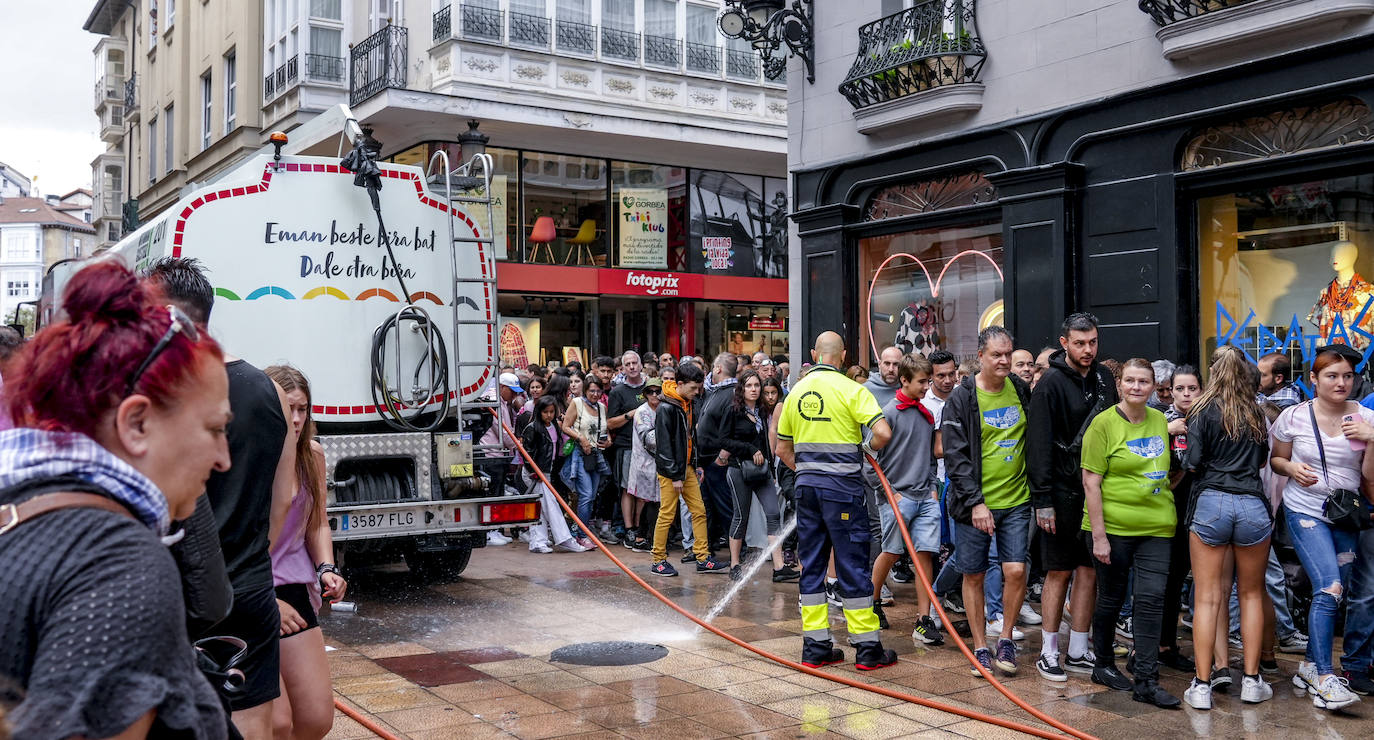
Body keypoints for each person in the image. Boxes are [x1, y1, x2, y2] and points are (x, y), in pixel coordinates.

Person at [0, 261, 229, 739]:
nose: (223, 458)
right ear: (137, 424)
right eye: (214, 429)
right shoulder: (122, 562)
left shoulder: (21, 504)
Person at [148, 258, 293, 739]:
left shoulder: (157, 388)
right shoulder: (268, 387)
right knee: (253, 722)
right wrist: (254, 560)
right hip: (249, 585)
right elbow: (284, 496)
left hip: (175, 592)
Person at [775, 332, 898, 671]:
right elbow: (883, 433)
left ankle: (815, 647)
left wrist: (810, 471)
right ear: (843, 356)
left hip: (806, 490)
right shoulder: (852, 390)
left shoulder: (795, 392)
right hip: (843, 491)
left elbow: (782, 449)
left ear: (815, 354)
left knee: (812, 564)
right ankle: (868, 649)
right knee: (852, 565)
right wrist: (865, 451)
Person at [1270, 348, 1374, 710]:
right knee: (1329, 586)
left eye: (1347, 376)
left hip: (1345, 517)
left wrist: (1372, 438)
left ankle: (1311, 665)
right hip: (1305, 511)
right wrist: (1290, 469)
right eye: (1332, 376)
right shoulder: (1294, 416)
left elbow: (1369, 480)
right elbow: (1276, 458)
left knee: (1337, 591)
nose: (1341, 383)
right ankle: (1325, 678)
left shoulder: (1365, 417)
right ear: (1313, 379)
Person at [1080, 359, 1181, 707]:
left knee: (1152, 600)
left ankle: (1147, 680)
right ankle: (1104, 664)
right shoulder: (1102, 424)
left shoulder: (1158, 421)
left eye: (1144, 382)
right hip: (1114, 527)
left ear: (1154, 387)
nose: (1137, 387)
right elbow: (1090, 482)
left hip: (1157, 526)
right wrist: (1099, 536)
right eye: (1130, 381)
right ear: (1120, 384)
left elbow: (1167, 469)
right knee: (1110, 598)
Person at [1181, 346, 1275, 710]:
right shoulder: (1255, 411)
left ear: (1214, 372)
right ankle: (1252, 681)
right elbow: (1263, 458)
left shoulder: (1202, 410)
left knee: (1207, 597)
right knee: (1251, 594)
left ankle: (1202, 685)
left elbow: (1192, 462)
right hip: (1253, 504)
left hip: (1211, 502)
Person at [1027, 313, 1117, 682]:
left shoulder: (1105, 377)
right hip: (1061, 490)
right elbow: (1038, 444)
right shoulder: (1048, 383)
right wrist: (1042, 498)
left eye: (1093, 342)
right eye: (1080, 343)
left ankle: (1078, 648)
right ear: (1064, 343)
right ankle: (1049, 651)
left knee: (1088, 570)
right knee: (1058, 571)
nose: (1088, 349)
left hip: (1096, 489)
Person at [943, 327, 1034, 678]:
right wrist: (976, 503)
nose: (1004, 360)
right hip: (974, 504)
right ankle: (980, 646)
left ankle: (1006, 638)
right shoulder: (962, 398)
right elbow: (955, 455)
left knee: (1015, 570)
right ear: (980, 356)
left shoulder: (1020, 390)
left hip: (1016, 500)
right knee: (975, 574)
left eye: (1008, 353)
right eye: (997, 354)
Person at [263, 366, 346, 740]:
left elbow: (317, 522)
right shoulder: (249, 455)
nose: (296, 418)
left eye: (303, 409)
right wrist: (260, 599)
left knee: (314, 718)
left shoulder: (311, 454)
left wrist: (327, 567)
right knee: (276, 722)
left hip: (295, 586)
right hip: (251, 589)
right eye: (288, 408)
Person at [870, 354, 944, 646]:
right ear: (904, 381)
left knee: (926, 554)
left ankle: (923, 621)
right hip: (895, 496)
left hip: (924, 495)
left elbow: (927, 455)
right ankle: (872, 602)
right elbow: (868, 458)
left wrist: (932, 488)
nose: (927, 387)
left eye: (928, 381)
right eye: (922, 382)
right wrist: (889, 490)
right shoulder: (887, 413)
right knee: (891, 551)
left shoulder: (926, 415)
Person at [649, 362, 727, 576]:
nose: (696, 392)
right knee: (667, 513)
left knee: (699, 511)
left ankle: (702, 557)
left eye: (698, 388)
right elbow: (664, 446)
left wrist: (697, 463)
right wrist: (675, 475)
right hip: (672, 471)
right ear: (680, 384)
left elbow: (691, 437)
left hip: (687, 467)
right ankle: (658, 559)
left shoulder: (685, 403)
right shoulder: (667, 408)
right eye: (693, 388)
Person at [720, 370, 797, 582]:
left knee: (773, 514)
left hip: (763, 471)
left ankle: (779, 567)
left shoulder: (763, 411)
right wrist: (748, 449)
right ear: (741, 389)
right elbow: (724, 441)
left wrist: (771, 469)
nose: (754, 390)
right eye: (749, 386)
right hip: (738, 469)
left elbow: (766, 440)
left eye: (757, 386)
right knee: (740, 516)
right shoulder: (733, 410)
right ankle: (735, 563)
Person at [1159, 366, 1202, 672]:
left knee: (1181, 582)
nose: (1186, 394)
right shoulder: (1160, 421)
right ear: (1170, 391)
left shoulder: (1207, 418)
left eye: (1192, 389)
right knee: (1164, 581)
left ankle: (1171, 645)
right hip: (1165, 508)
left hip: (1198, 508)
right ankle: (1157, 645)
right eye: (1180, 389)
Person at [520, 396, 587, 554]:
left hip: (546, 473)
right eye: (545, 412)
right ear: (539, 412)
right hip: (535, 474)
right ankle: (564, 538)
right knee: (550, 506)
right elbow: (526, 453)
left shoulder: (554, 426)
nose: (549, 415)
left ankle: (538, 541)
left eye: (551, 411)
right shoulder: (532, 428)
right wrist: (533, 472)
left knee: (541, 508)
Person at [560, 375, 611, 549]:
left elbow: (605, 429)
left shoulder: (602, 407)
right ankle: (581, 534)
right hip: (579, 454)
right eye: (592, 391)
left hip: (597, 456)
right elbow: (565, 426)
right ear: (585, 390)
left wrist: (608, 440)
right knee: (586, 495)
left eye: (598, 391)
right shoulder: (577, 403)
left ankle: (582, 531)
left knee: (591, 496)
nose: (595, 394)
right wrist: (581, 438)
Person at [697, 352, 741, 551]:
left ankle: (739, 550)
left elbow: (734, 428)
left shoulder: (732, 393)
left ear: (718, 369)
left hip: (718, 462)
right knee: (707, 508)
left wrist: (722, 457)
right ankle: (706, 549)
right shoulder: (715, 391)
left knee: (725, 507)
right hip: (706, 460)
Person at [607, 350, 648, 546]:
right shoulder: (617, 392)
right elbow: (610, 423)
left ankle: (641, 527)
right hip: (626, 446)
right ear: (623, 368)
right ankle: (629, 529)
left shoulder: (651, 388)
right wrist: (630, 414)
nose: (632, 367)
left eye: (634, 363)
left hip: (649, 447)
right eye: (628, 364)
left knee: (644, 490)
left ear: (641, 365)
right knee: (627, 489)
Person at [626, 378, 663, 552]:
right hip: (645, 463)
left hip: (659, 462)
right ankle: (645, 538)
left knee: (655, 501)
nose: (654, 395)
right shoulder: (642, 412)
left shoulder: (663, 408)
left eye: (658, 391)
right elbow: (649, 439)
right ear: (645, 394)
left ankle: (644, 538)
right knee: (651, 500)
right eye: (651, 392)